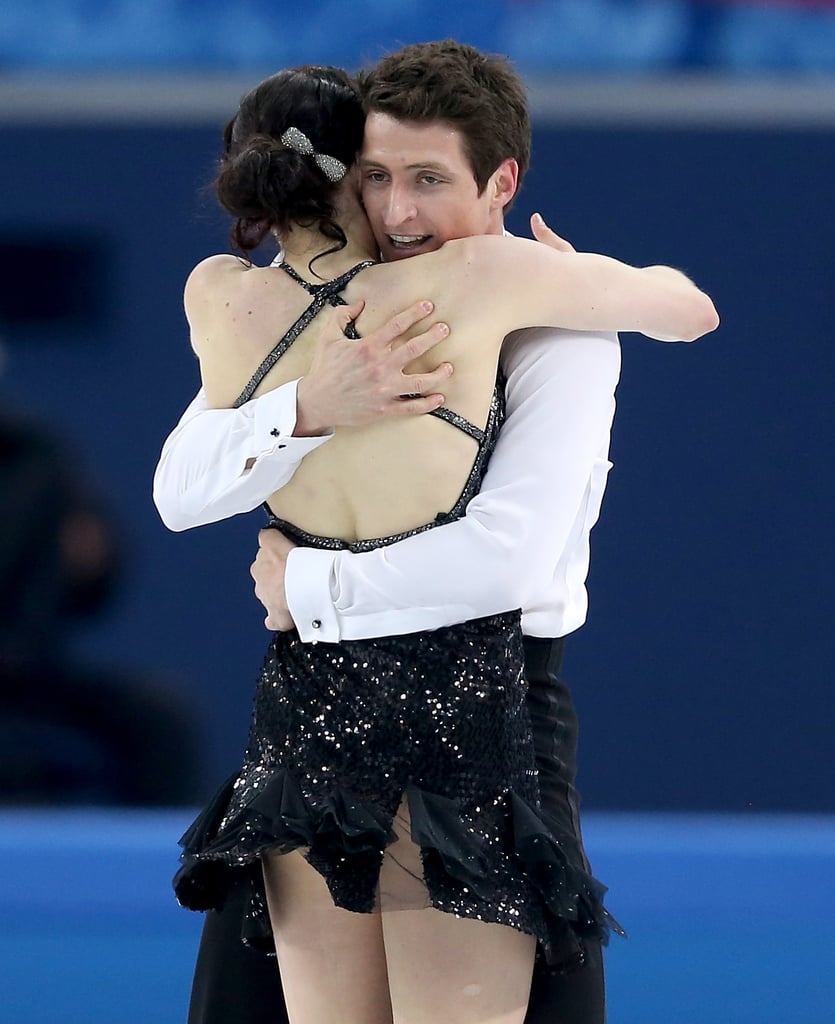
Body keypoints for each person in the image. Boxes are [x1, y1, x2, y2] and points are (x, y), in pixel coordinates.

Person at [156, 44, 717, 1024]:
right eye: (376, 178)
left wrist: (310, 594)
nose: (401, 211)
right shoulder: (318, 316)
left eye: (427, 180)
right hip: (308, 716)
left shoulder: (549, 313)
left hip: (482, 694)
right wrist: (307, 407)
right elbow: (180, 487)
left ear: (500, 181)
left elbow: (508, 554)